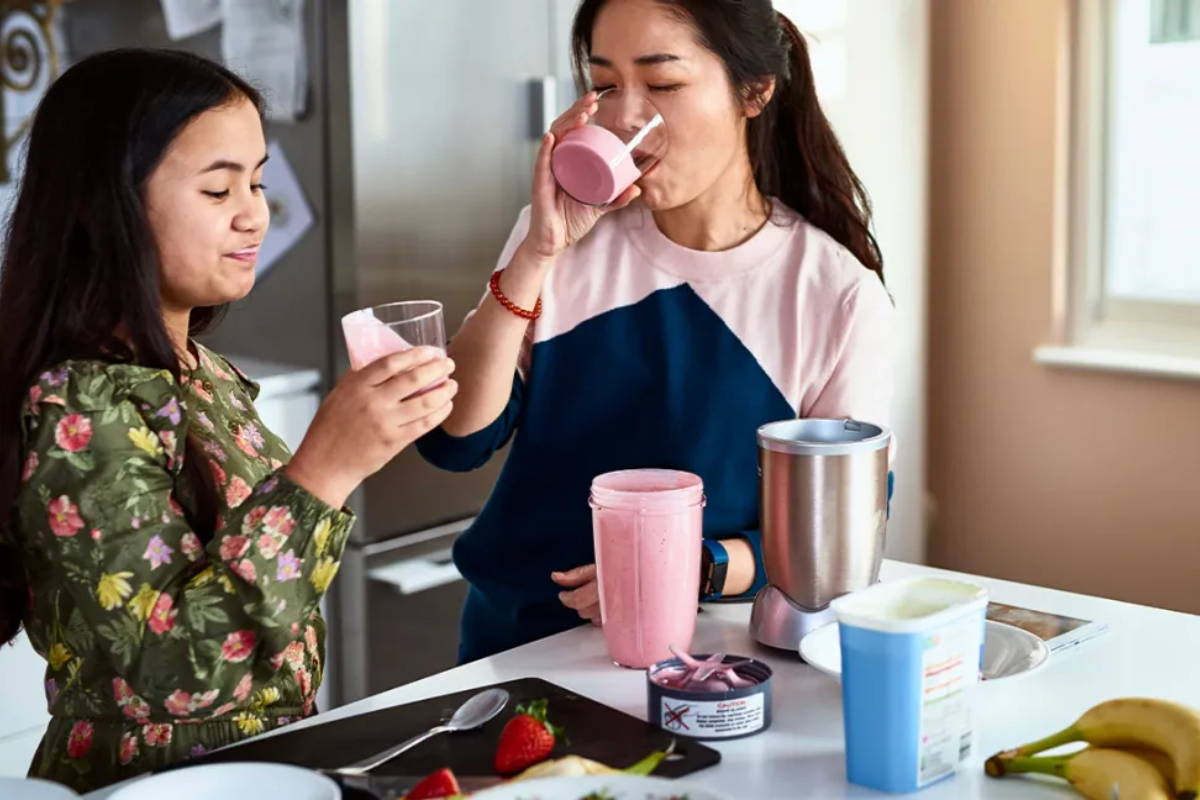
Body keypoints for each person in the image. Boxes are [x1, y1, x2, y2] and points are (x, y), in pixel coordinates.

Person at [0, 48, 457, 792]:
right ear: (107, 203)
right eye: (218, 189)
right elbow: (173, 671)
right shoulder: (78, 403)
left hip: (258, 771)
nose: (255, 212)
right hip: (153, 785)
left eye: (258, 180)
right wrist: (326, 468)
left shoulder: (200, 371)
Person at [418, 0, 893, 664]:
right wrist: (536, 254)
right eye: (606, 85)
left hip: (713, 661)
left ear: (753, 92)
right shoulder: (557, 242)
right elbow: (456, 441)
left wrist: (684, 568)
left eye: (663, 83)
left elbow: (840, 536)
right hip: (522, 648)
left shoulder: (834, 293)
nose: (624, 118)